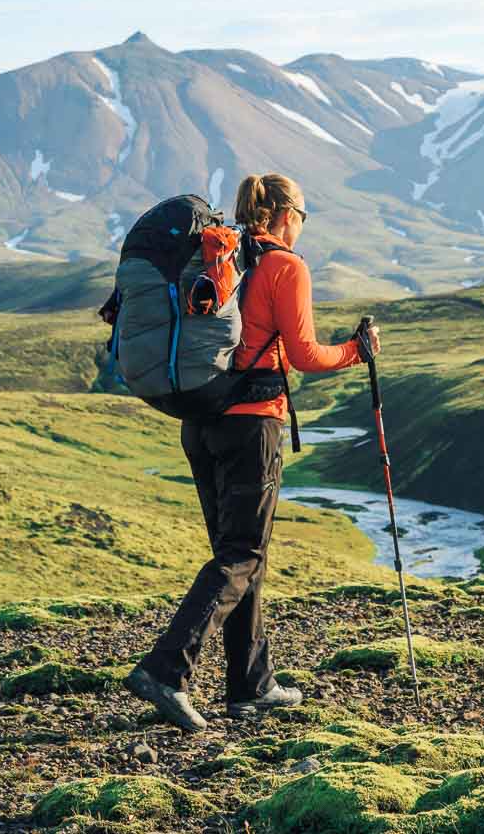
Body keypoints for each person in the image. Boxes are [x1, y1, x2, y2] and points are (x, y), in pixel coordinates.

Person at [124, 173, 381, 732]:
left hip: (201, 424)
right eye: (304, 215)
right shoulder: (285, 267)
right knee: (241, 555)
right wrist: (357, 352)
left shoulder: (223, 257)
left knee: (239, 555)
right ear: (288, 214)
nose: (302, 225)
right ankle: (167, 668)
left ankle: (250, 685)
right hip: (252, 427)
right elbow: (307, 355)